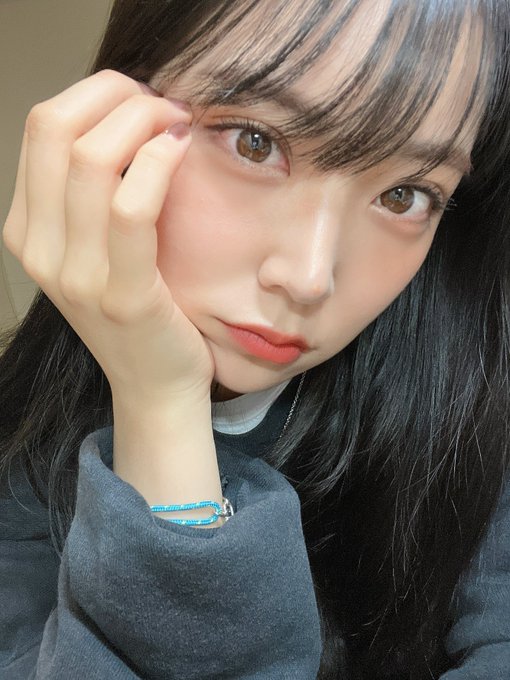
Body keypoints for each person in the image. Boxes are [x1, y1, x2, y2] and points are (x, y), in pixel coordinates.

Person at [1, 0, 509, 677]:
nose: (309, 277)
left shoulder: (473, 407)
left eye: (405, 195)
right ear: (108, 125)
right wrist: (160, 403)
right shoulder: (21, 462)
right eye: (255, 142)